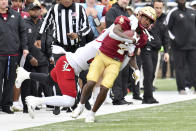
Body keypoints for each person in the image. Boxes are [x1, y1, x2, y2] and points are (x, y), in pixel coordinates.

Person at [15, 24, 138, 118]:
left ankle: (25, 74)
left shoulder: (111, 49)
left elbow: (120, 66)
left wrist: (128, 54)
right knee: (69, 100)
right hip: (69, 65)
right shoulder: (103, 40)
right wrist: (131, 25)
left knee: (49, 80)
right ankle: (35, 101)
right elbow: (113, 29)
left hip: (68, 62)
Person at [71, 6, 157, 123]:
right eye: (146, 18)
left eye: (150, 21)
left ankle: (92, 113)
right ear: (139, 15)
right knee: (91, 82)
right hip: (102, 54)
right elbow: (114, 33)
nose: (147, 22)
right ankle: (80, 106)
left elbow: (131, 55)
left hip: (116, 61)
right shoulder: (125, 21)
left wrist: (136, 69)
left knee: (105, 88)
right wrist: (129, 39)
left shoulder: (143, 37)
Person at [0, 0, 29, 114]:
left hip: (13, 54)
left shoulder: (16, 15)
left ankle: (6, 104)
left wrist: (25, 47)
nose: (3, 2)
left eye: (5, 0)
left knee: (10, 81)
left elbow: (23, 32)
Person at [140, 0, 169, 104]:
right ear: (152, 7)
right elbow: (138, 30)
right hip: (146, 47)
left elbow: (166, 36)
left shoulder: (164, 19)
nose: (159, 10)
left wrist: (166, 51)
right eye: (157, 8)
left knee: (151, 74)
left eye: (161, 8)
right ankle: (147, 97)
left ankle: (148, 96)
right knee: (148, 72)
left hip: (156, 50)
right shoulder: (146, 16)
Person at [105, 0, 133, 105]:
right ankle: (117, 97)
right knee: (117, 72)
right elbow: (111, 29)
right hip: (114, 47)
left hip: (124, 47)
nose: (125, 1)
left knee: (125, 72)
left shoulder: (126, 13)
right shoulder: (112, 11)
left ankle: (122, 96)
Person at [166, 0, 196, 94]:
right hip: (178, 47)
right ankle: (181, 88)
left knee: (194, 67)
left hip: (193, 46)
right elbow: (166, 28)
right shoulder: (173, 12)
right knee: (179, 68)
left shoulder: (192, 11)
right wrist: (175, 40)